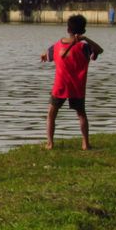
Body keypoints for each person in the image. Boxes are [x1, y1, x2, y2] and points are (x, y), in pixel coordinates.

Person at [40, 14, 104, 150]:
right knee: (81, 114)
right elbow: (99, 51)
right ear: (83, 31)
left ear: (68, 29)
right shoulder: (84, 48)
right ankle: (85, 143)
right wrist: (86, 40)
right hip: (77, 87)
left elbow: (48, 54)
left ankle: (50, 143)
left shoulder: (57, 45)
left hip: (60, 86)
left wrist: (44, 55)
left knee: (51, 113)